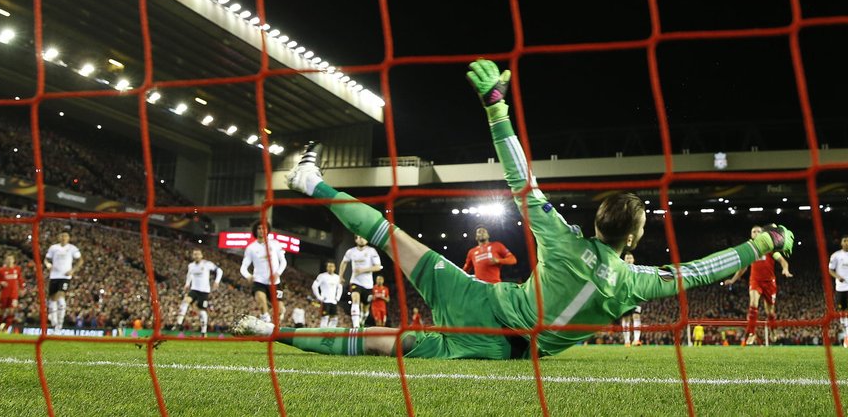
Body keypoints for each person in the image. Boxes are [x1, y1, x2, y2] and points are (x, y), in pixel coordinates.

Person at [233, 59, 794, 360]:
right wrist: (761, 241)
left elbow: (520, 179)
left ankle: (311, 182)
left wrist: (497, 110)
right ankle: (272, 332)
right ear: (631, 238)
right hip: (498, 347)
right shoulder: (638, 283)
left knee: (391, 237)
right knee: (383, 345)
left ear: (599, 223)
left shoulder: (559, 237)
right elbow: (701, 270)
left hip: (477, 296)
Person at [725, 225, 793, 346]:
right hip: (755, 281)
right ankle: (751, 333)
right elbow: (743, 268)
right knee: (753, 304)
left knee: (770, 312)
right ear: (751, 235)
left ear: (763, 234)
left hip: (769, 282)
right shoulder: (750, 251)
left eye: (758, 231)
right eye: (753, 231)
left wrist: (785, 269)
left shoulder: (770, 248)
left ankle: (772, 330)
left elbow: (783, 261)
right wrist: (733, 280)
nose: (756, 233)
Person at [240, 220, 287, 324]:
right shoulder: (251, 248)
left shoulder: (275, 244)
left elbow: (283, 261)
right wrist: (248, 276)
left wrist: (278, 273)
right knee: (261, 303)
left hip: (275, 282)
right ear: (256, 231)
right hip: (259, 281)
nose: (261, 230)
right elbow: (243, 267)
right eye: (259, 228)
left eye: (264, 228)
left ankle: (281, 312)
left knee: (279, 310)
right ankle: (266, 323)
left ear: (268, 230)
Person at [175, 249, 222, 336]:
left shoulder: (207, 264)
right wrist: (187, 284)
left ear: (201, 255)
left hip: (204, 291)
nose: (196, 256)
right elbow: (189, 275)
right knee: (185, 301)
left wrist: (217, 281)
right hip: (194, 289)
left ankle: (204, 332)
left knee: (202, 311)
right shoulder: (191, 266)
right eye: (194, 254)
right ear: (193, 256)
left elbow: (219, 271)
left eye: (198, 254)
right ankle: (179, 323)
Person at [339, 235, 382, 325]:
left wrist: (363, 270)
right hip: (355, 281)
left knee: (366, 307)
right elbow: (344, 262)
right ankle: (356, 326)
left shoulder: (372, 251)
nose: (362, 240)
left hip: (368, 284)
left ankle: (362, 319)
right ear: (356, 239)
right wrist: (340, 276)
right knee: (355, 299)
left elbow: (378, 267)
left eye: (364, 237)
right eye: (360, 237)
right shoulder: (351, 251)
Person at [44, 231, 82, 329]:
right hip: (54, 276)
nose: (64, 238)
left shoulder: (72, 248)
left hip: (65, 276)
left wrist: (73, 270)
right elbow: (46, 259)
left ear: (68, 238)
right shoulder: (53, 248)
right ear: (59, 237)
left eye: (66, 236)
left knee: (61, 296)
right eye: (62, 236)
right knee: (52, 299)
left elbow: (80, 260)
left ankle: (59, 324)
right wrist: (48, 265)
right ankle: (54, 321)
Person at [0, 254, 25, 332]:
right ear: (5, 261)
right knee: (2, 311)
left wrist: (22, 288)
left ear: (13, 260)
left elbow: (20, 279)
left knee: (12, 311)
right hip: (4, 294)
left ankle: (6, 328)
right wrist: (1, 283)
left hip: (14, 294)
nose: (9, 261)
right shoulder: (1, 270)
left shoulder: (17, 269)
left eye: (11, 259)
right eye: (8, 259)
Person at [311, 261, 344, 328]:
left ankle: (330, 332)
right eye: (329, 266)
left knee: (334, 318)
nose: (330, 268)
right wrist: (319, 297)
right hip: (325, 300)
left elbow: (340, 288)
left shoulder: (337, 277)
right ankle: (322, 333)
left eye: (332, 266)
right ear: (326, 267)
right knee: (325, 318)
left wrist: (337, 297)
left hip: (333, 301)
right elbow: (314, 286)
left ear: (334, 268)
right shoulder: (322, 276)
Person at [619, 252, 642, 346]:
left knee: (636, 316)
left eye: (630, 258)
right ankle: (627, 341)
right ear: (624, 260)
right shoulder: (620, 270)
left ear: (633, 260)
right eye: (627, 258)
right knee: (626, 319)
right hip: (624, 297)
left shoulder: (638, 270)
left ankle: (636, 340)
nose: (629, 260)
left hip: (635, 296)